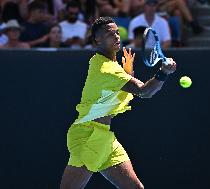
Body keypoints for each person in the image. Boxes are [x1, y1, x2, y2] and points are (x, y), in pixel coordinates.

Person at [60, 16, 177, 189]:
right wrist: (163, 73)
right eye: (109, 34)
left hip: (104, 136)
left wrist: (127, 73)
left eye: (117, 32)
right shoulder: (107, 69)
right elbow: (145, 91)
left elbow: (117, 95)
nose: (116, 36)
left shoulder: (102, 62)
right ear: (97, 40)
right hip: (88, 136)